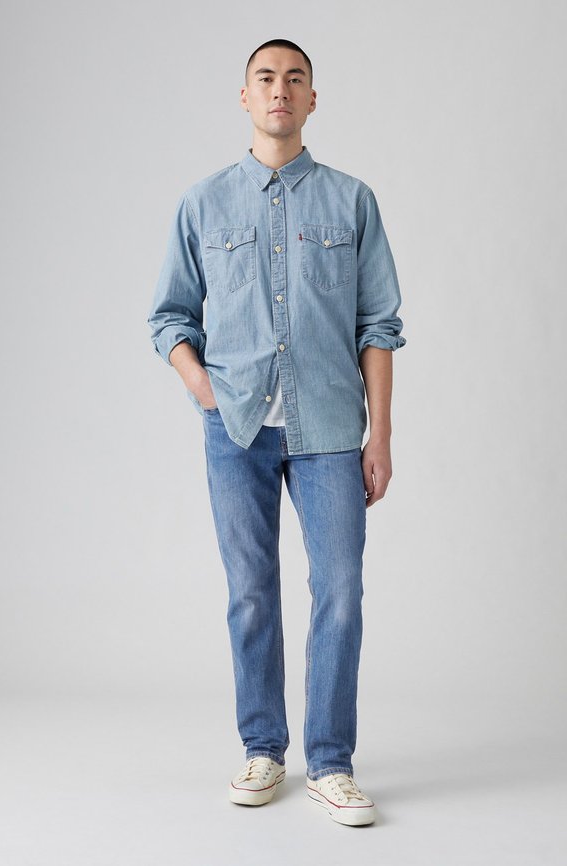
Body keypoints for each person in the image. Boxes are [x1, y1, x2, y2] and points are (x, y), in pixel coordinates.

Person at [147, 37, 406, 827]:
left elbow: (379, 325)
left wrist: (381, 437)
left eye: (295, 79)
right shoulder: (203, 203)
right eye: (266, 78)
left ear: (313, 99)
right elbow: (169, 318)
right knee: (251, 593)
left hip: (329, 428)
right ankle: (263, 749)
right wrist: (206, 392)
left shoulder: (352, 201)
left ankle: (331, 763)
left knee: (341, 591)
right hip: (238, 432)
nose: (280, 90)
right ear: (245, 96)